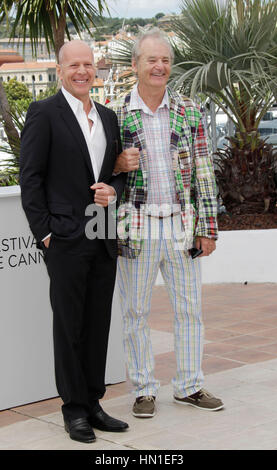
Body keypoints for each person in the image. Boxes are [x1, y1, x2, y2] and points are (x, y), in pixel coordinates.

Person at [20, 40, 128, 443]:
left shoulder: (108, 117)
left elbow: (115, 172)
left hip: (102, 231)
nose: (82, 71)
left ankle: (94, 402)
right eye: (74, 65)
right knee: (69, 326)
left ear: (95, 69)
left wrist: (113, 190)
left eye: (88, 64)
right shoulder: (44, 113)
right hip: (64, 237)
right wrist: (45, 233)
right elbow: (30, 178)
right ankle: (74, 409)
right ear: (60, 69)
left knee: (98, 322)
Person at [113, 29, 224, 418]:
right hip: (136, 227)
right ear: (135, 66)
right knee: (135, 313)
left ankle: (190, 385)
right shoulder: (116, 113)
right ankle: (144, 389)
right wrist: (115, 164)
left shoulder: (188, 110)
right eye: (151, 60)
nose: (159, 66)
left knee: (189, 309)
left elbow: (204, 172)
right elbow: (99, 172)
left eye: (165, 60)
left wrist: (208, 228)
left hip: (181, 227)